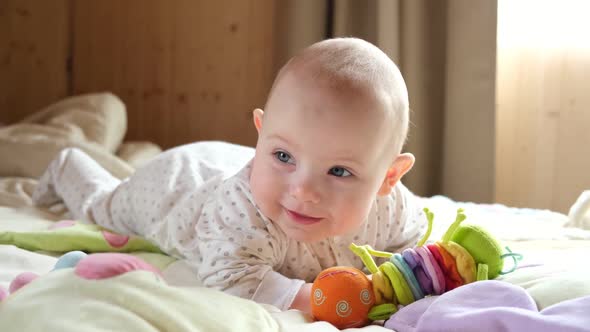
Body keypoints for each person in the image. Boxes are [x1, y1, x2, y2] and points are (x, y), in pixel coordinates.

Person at [32, 37, 427, 314]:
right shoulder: (242, 211)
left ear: (388, 178)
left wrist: (407, 277)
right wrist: (317, 298)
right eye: (283, 154)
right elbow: (232, 278)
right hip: (175, 187)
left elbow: (412, 244)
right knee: (102, 205)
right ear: (260, 133)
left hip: (224, 162)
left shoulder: (391, 209)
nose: (304, 190)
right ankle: (70, 163)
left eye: (339, 171)